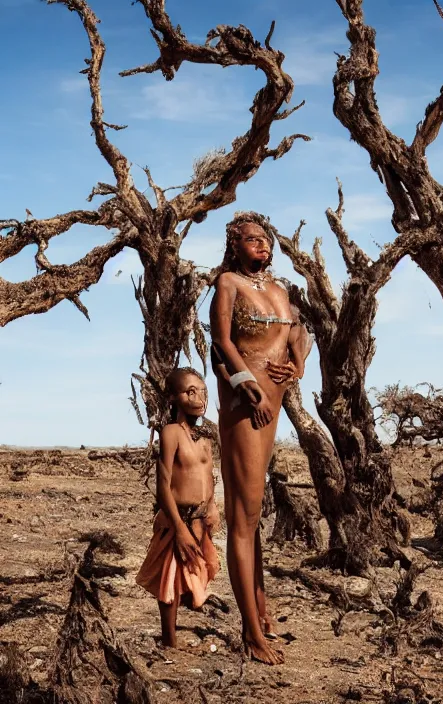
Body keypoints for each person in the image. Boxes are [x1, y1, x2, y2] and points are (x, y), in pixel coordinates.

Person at [209, 212, 309, 665]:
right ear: (236, 245)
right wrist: (244, 383)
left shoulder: (281, 291)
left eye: (266, 240)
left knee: (253, 511)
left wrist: (299, 364)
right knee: (243, 518)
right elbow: (223, 342)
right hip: (246, 402)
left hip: (275, 399)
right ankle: (251, 633)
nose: (262, 246)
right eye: (252, 240)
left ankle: (262, 614)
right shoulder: (228, 283)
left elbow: (300, 332)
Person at [135, 367, 221, 650]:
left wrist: (212, 506)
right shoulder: (171, 433)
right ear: (173, 398)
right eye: (190, 392)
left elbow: (209, 475)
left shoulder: (206, 436)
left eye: (202, 391)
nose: (199, 397)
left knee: (192, 571)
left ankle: (176, 628)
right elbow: (164, 486)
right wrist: (180, 529)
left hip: (198, 519)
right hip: (177, 520)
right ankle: (169, 639)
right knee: (169, 577)